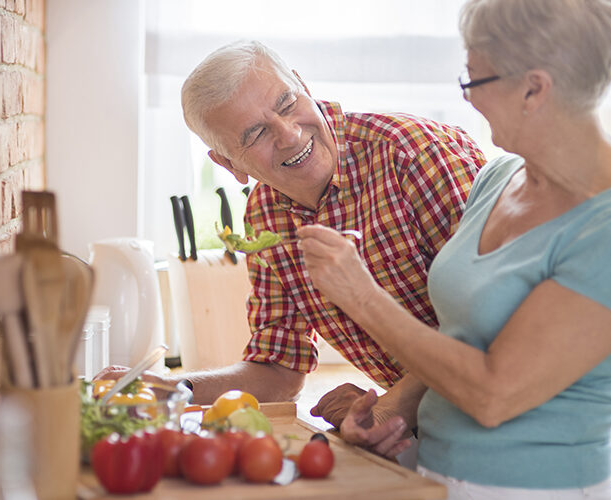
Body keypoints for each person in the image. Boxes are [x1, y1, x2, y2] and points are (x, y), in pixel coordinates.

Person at [298, 0, 611, 498]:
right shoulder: (498, 178)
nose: (468, 100)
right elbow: (465, 341)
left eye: (474, 81)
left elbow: (493, 394)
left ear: (534, 88)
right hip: (439, 477)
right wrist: (393, 418)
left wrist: (362, 296)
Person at [96, 39, 485, 422]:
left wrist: (390, 408)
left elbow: (491, 320)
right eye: (255, 134)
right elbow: (279, 371)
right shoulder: (264, 217)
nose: (290, 135)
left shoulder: (412, 155)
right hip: (437, 425)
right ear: (230, 163)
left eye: (286, 103)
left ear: (304, 86)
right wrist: (166, 385)